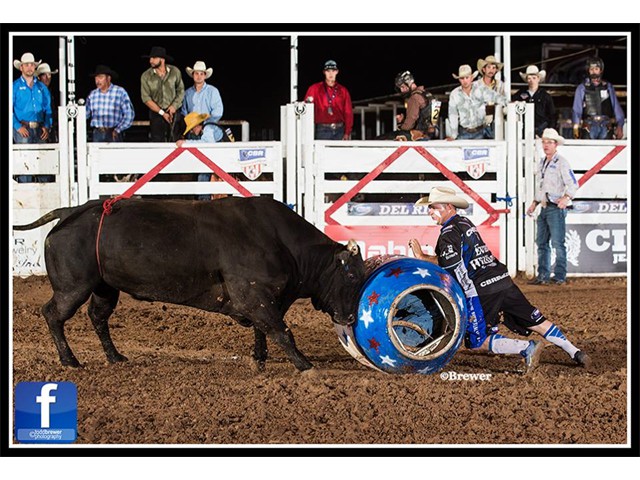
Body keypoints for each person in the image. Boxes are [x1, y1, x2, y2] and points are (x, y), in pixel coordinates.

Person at [408, 185, 589, 372]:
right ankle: (575, 352)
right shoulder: (465, 223)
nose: (430, 211)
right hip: (502, 279)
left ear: (448, 207)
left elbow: (450, 264)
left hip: (481, 289)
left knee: (476, 341)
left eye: (434, 207)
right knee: (536, 321)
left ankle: (526, 347)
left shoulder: (448, 233)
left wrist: (422, 257)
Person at [526, 128, 578, 286]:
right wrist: (535, 202)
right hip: (544, 206)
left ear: (556, 144)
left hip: (555, 207)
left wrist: (566, 197)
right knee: (542, 242)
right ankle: (543, 275)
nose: (546, 145)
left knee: (557, 243)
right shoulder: (543, 162)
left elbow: (573, 184)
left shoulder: (561, 162)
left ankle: (560, 276)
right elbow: (541, 187)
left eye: (549, 142)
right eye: (544, 142)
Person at [181, 60, 225, 193]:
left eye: (201, 73)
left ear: (205, 75)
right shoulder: (188, 93)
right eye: (196, 73)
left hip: (209, 131)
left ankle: (203, 197)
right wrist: (193, 124)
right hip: (193, 130)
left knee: (205, 166)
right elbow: (184, 111)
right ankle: (199, 195)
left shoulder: (212, 91)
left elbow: (218, 112)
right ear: (193, 75)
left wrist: (203, 124)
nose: (199, 76)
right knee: (194, 165)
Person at [13, 52, 54, 183]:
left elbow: (48, 109)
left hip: (39, 128)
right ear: (21, 68)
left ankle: (45, 190)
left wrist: (47, 126)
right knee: (25, 161)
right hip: (23, 127)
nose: (30, 67)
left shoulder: (42, 88)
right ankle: (25, 193)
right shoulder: (14, 87)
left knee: (43, 161)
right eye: (27, 65)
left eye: (32, 65)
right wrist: (17, 126)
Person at [446, 64, 506, 140]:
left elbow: (496, 97)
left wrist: (508, 103)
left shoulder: (481, 89)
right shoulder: (454, 94)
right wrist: (453, 135)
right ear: (459, 79)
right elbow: (453, 115)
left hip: (482, 130)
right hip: (464, 132)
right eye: (462, 78)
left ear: (471, 78)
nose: (465, 81)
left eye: (467, 77)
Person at [572, 56, 625, 140]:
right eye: (591, 69)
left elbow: (617, 108)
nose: (594, 72)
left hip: (606, 125)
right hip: (588, 126)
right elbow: (576, 110)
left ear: (601, 70)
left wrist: (620, 125)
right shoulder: (582, 88)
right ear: (588, 71)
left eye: (596, 69)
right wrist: (575, 127)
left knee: (607, 151)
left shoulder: (608, 87)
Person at [141, 46, 185, 142]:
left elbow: (181, 90)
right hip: (156, 113)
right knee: (157, 141)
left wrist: (174, 106)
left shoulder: (175, 72)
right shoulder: (146, 76)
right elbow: (146, 98)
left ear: (162, 59)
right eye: (150, 58)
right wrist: (162, 113)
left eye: (154, 58)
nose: (151, 61)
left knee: (175, 139)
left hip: (174, 112)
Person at [383, 70, 440, 141]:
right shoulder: (428, 95)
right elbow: (424, 117)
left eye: (402, 87)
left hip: (420, 135)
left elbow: (410, 123)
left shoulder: (414, 98)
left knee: (383, 138)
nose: (401, 90)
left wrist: (400, 124)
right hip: (432, 134)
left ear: (408, 84)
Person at [303, 59, 353, 140]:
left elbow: (348, 112)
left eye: (333, 71)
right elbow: (306, 110)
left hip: (340, 130)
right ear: (324, 72)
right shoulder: (314, 89)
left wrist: (347, 132)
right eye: (328, 71)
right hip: (322, 129)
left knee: (339, 152)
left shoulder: (343, 91)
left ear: (337, 72)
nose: (331, 74)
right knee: (322, 152)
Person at [85, 65, 135, 142]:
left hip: (113, 132)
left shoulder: (120, 92)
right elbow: (85, 113)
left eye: (101, 77)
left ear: (108, 78)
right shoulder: (92, 94)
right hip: (97, 132)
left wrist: (118, 129)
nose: (98, 81)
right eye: (96, 78)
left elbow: (129, 114)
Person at [512, 65, 556, 137]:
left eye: (534, 78)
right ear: (526, 80)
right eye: (529, 78)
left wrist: (549, 131)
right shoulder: (520, 94)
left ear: (538, 79)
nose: (531, 80)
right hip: (523, 130)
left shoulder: (545, 96)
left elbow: (552, 115)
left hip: (542, 131)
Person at [476, 55, 506, 138]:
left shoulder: (500, 85)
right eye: (489, 67)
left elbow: (503, 101)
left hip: (495, 122)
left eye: (493, 68)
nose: (491, 70)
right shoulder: (476, 85)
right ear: (484, 69)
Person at [36, 62, 59, 143]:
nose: (47, 77)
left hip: (50, 128)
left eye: (49, 75)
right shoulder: (36, 92)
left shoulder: (50, 92)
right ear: (39, 77)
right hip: (40, 129)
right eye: (44, 75)